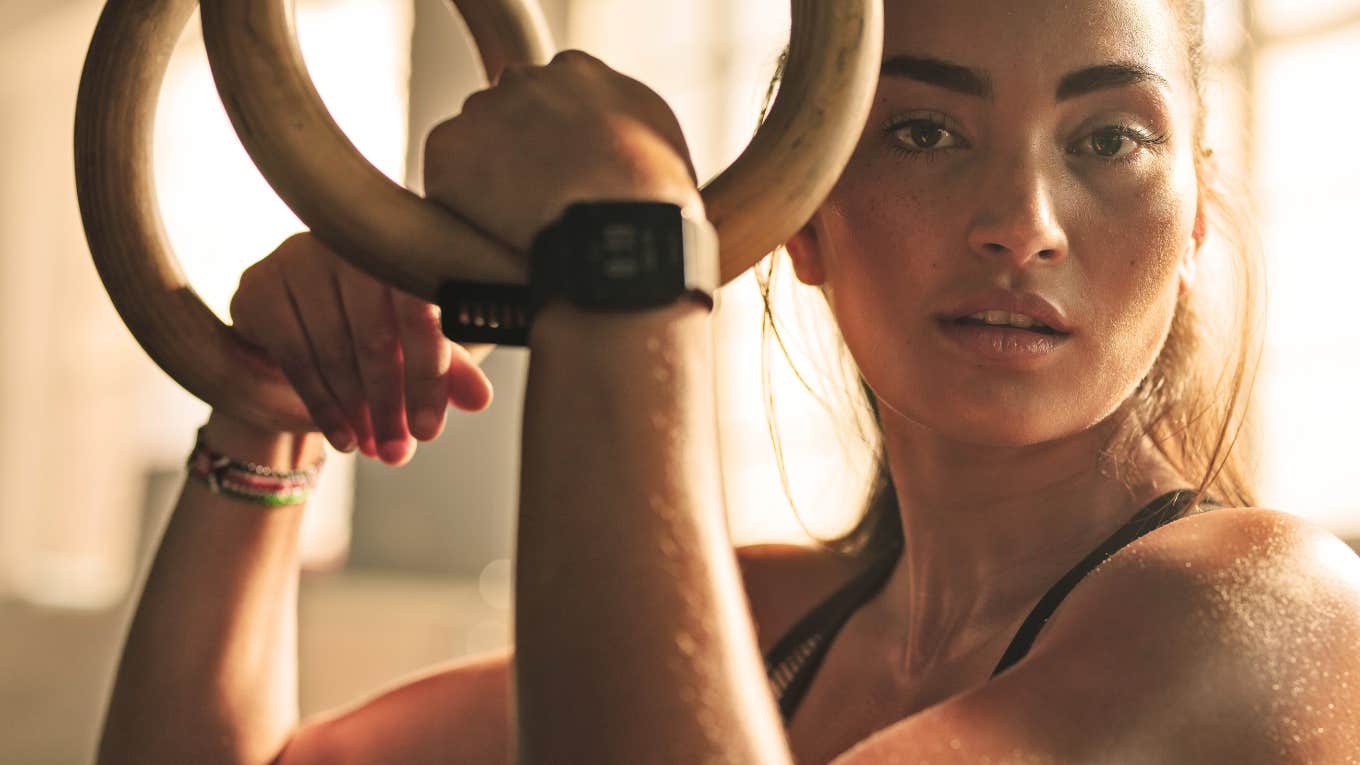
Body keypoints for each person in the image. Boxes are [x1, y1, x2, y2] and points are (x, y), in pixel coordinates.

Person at [96, 0, 1360, 762]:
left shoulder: (1274, 613)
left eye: (1108, 140)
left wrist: (624, 256)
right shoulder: (761, 623)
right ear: (799, 221)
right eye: (923, 132)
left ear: (1194, 223)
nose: (1021, 222)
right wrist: (269, 422)